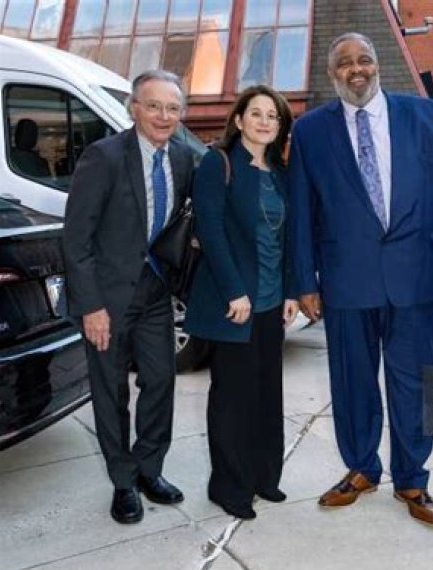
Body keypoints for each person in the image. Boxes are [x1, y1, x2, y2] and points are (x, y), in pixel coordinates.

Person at [289, 33, 433, 528]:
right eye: (344, 63)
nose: (356, 69)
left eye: (364, 59)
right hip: (345, 280)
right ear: (332, 74)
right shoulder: (310, 131)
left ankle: (412, 478)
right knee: (352, 381)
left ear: (377, 65)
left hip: (416, 275)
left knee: (413, 382)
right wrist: (304, 281)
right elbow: (302, 210)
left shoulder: (427, 118)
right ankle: (361, 468)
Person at [63, 70, 193, 524]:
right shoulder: (104, 156)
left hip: (156, 291)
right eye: (153, 106)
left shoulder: (182, 158)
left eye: (172, 108)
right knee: (111, 392)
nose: (163, 116)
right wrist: (91, 306)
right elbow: (76, 239)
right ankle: (123, 482)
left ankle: (149, 469)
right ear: (134, 108)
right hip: (107, 299)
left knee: (160, 381)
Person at [184, 86, 298, 520]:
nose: (265, 121)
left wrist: (290, 291)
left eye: (273, 116)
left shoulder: (280, 172)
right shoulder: (218, 163)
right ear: (239, 120)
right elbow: (211, 230)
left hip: (271, 302)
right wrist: (235, 290)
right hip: (235, 303)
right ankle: (229, 487)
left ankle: (264, 477)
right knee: (233, 398)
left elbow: (286, 239)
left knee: (267, 393)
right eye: (256, 113)